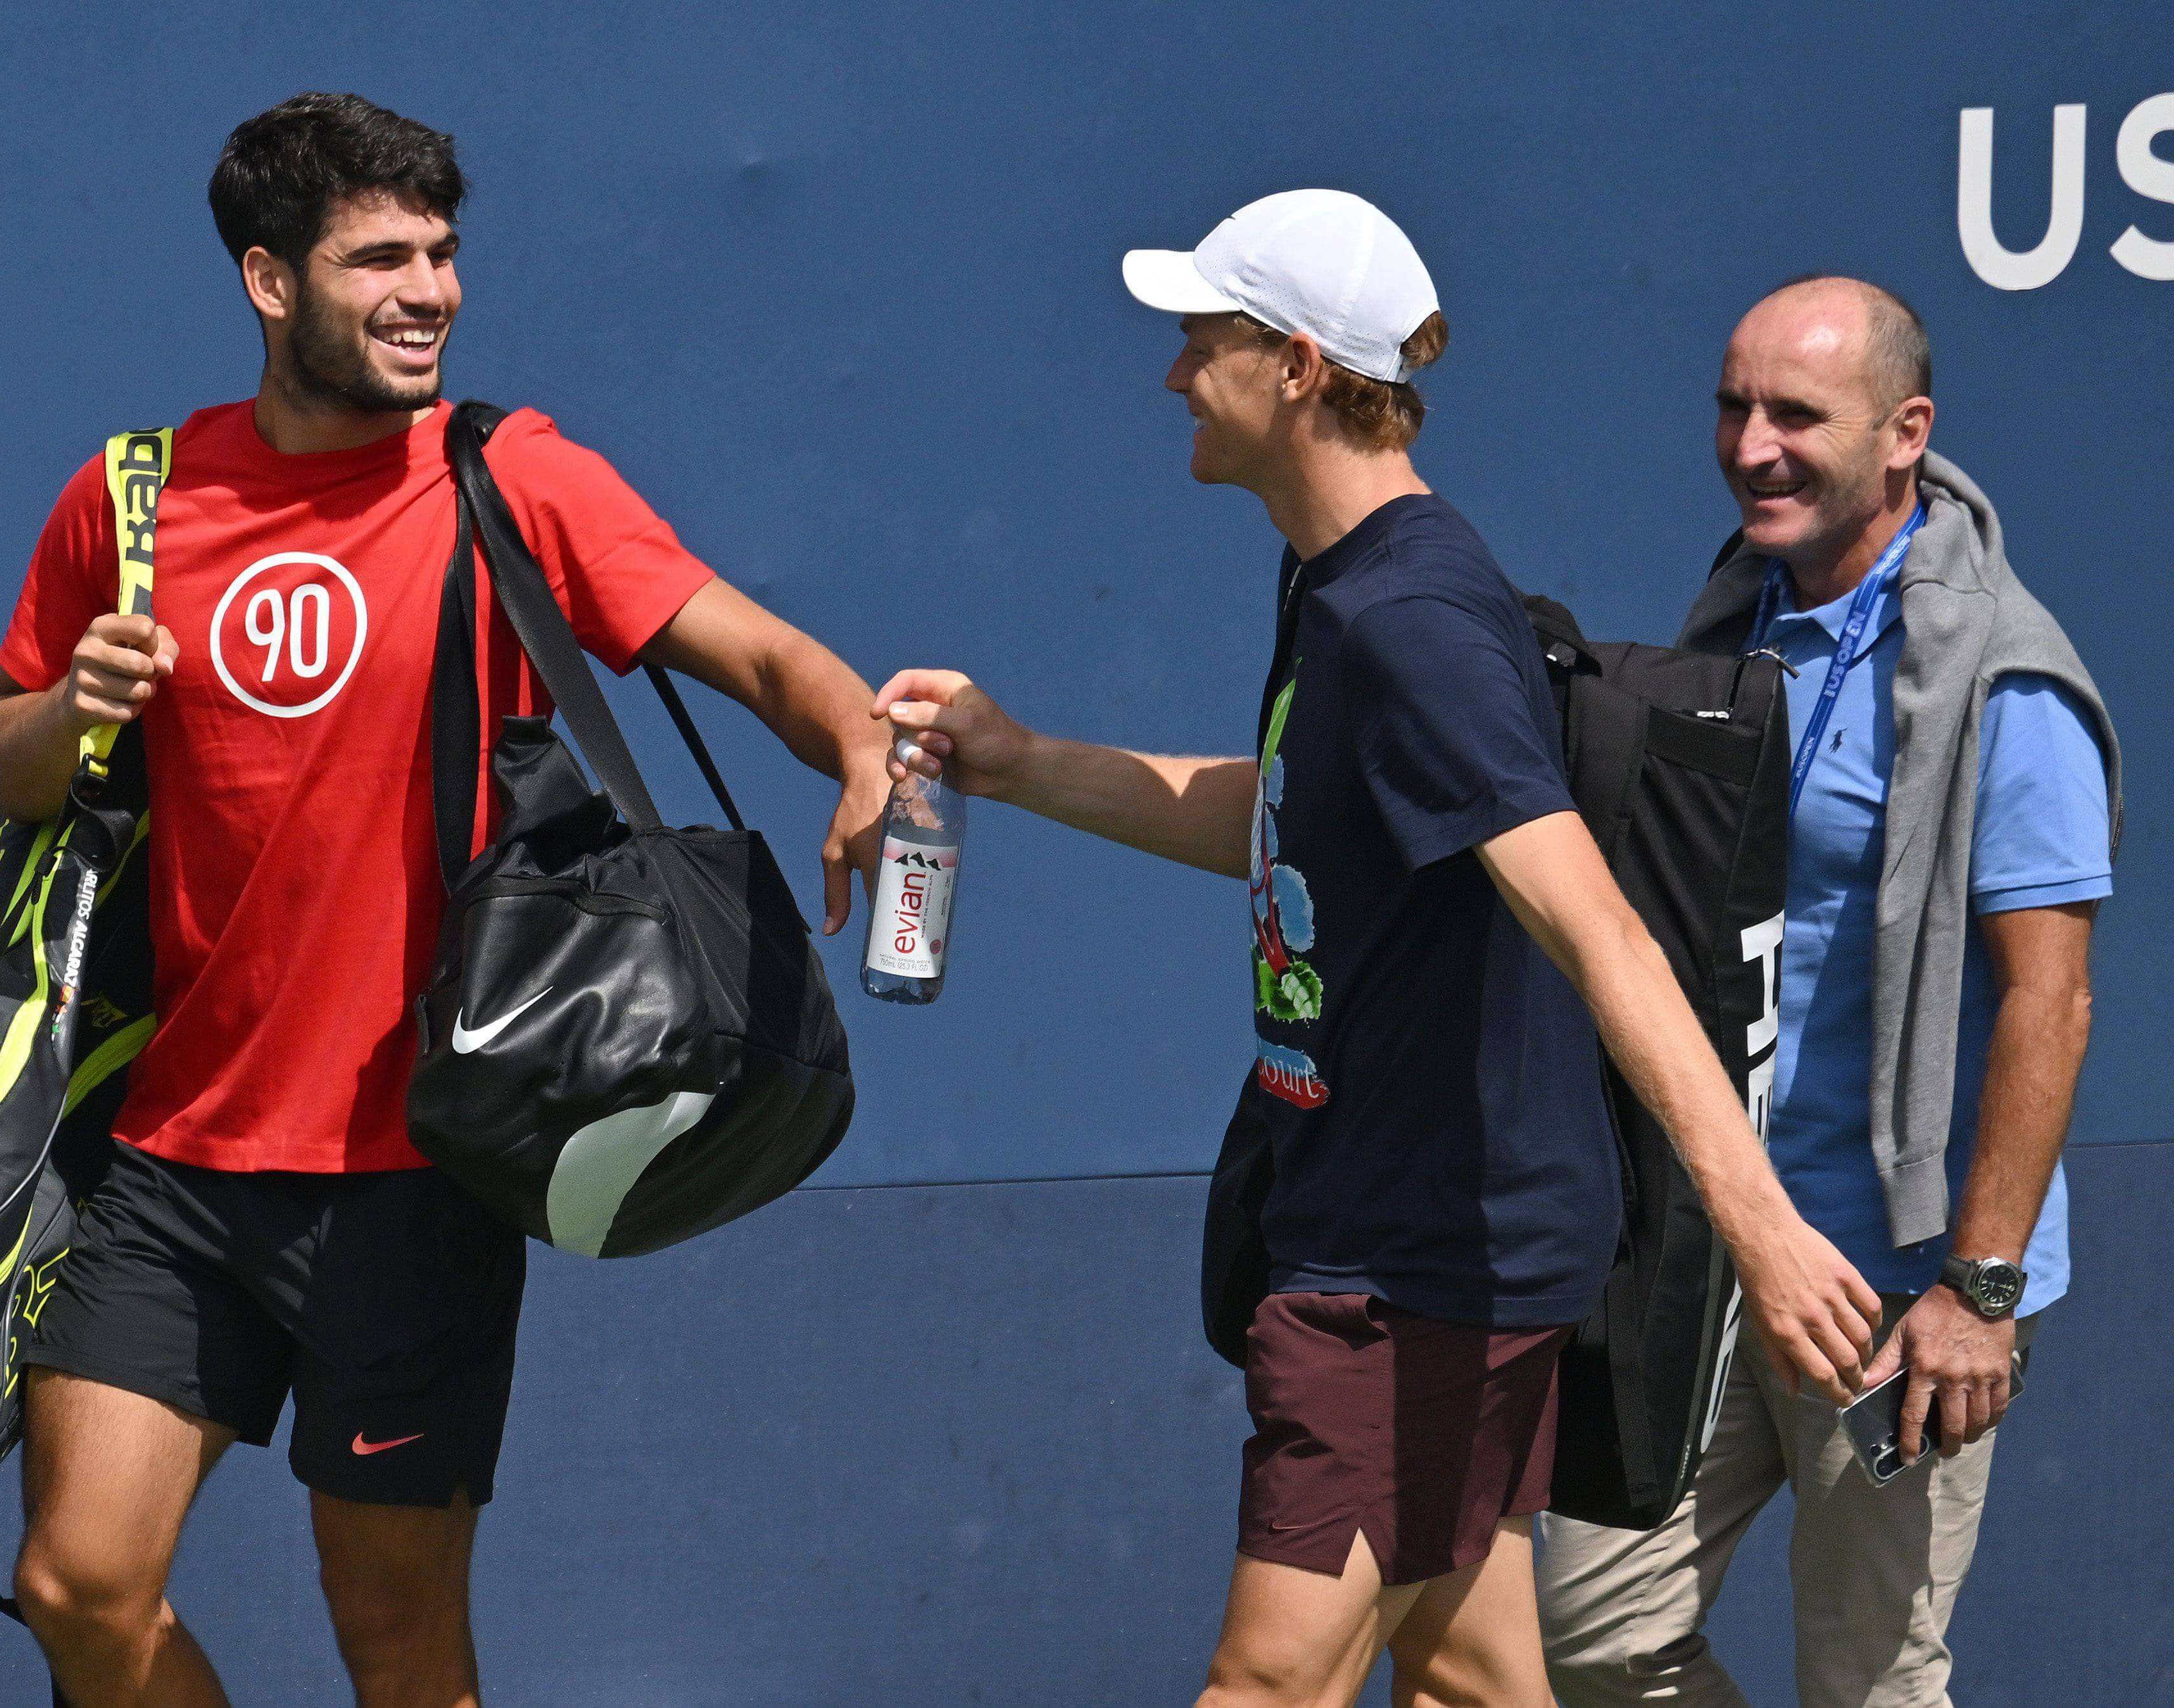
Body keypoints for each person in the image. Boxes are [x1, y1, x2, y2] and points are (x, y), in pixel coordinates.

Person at [874, 191, 1880, 1708]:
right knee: (1475, 1677)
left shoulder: (1409, 617)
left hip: (1416, 1269)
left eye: (1197, 341)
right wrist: (1020, 759)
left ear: (1290, 367)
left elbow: (1593, 925)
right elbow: (1287, 815)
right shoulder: (1340, 579)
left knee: (1265, 1683)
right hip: (1409, 1234)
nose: (1168, 376)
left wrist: (1758, 1221)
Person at [0, 93, 891, 1708]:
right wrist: (70, 709)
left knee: (402, 1656)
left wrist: (857, 743)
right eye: (377, 255)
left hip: (413, 1175)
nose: (428, 290)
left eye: (442, 252)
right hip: (175, 1160)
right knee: (76, 1585)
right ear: (269, 281)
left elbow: (752, 648)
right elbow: (2, 752)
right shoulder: (131, 497)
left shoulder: (509, 475)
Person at [1539, 276, 2119, 1708]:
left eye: (1794, 414)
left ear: (1903, 431)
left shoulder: (2006, 684)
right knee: (1586, 1637)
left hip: (1903, 1287)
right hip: (1723, 1245)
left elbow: (2048, 1002)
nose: (1750, 446)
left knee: (1868, 1680)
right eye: (1732, 408)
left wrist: (1973, 1291)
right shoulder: (1738, 614)